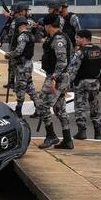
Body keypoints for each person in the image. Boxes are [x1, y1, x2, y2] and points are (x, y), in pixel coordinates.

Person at [68, 30, 101, 140]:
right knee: (94, 107)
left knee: (80, 107)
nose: (76, 40)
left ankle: (82, 131)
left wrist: (68, 84)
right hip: (95, 83)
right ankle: (98, 133)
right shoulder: (99, 50)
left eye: (78, 38)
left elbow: (73, 70)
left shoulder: (80, 52)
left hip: (81, 84)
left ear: (84, 38)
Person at [38, 13, 73, 149]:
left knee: (42, 104)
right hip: (60, 77)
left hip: (57, 77)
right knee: (59, 108)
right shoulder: (57, 37)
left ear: (48, 25)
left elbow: (62, 61)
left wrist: (53, 78)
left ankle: (51, 135)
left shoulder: (58, 39)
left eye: (44, 26)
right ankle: (67, 139)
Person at [6, 17, 41, 119]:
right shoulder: (30, 35)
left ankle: (18, 110)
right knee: (29, 86)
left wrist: (9, 54)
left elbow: (19, 51)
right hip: (28, 63)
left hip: (22, 65)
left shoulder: (22, 37)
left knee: (21, 87)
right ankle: (39, 107)